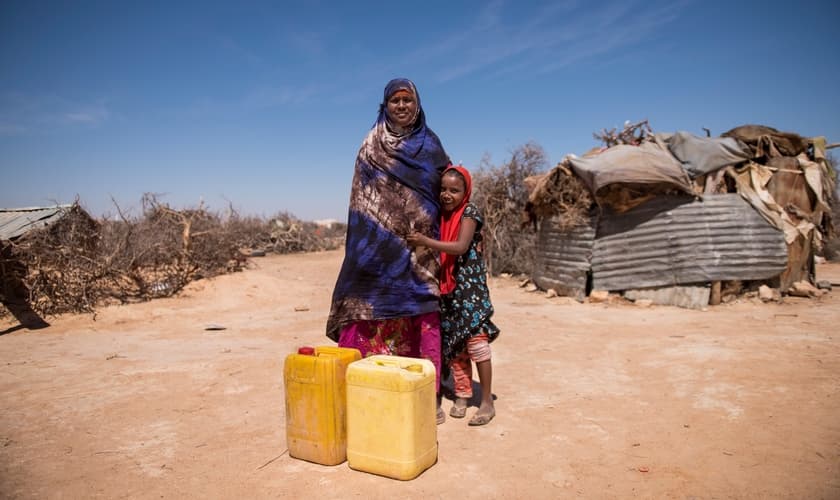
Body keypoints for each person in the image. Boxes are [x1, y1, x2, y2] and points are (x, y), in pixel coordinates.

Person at [326, 78, 450, 423]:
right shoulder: (371, 146)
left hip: (420, 251)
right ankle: (369, 386)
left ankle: (428, 394)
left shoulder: (431, 145)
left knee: (421, 311)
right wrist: (362, 249)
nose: (401, 106)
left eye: (407, 100)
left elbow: (448, 190)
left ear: (417, 104)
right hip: (378, 250)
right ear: (385, 105)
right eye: (395, 101)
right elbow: (361, 200)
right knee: (371, 308)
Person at [407, 166, 500, 426]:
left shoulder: (469, 212)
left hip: (469, 288)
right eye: (444, 189)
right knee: (456, 345)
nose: (447, 195)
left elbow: (459, 247)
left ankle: (487, 403)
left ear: (465, 191)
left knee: (477, 343)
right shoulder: (442, 216)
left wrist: (425, 241)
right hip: (449, 288)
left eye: (454, 190)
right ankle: (462, 394)